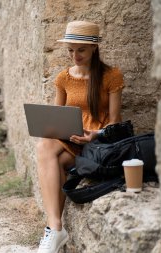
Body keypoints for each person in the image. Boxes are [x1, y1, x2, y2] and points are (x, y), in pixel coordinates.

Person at [36, 20, 124, 253]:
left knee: (54, 161)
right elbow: (56, 117)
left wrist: (94, 135)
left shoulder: (111, 76)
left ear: (94, 48)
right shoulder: (63, 78)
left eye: (81, 50)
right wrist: (55, 129)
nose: (75, 55)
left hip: (98, 144)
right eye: (71, 50)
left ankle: (52, 230)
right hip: (70, 141)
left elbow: (115, 121)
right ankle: (55, 227)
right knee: (45, 147)